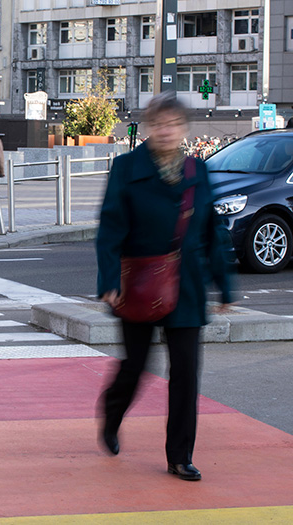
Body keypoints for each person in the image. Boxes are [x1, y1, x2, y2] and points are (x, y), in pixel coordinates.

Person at [96, 92, 233, 482]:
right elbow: (109, 230)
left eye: (173, 124)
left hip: (186, 286)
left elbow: (212, 229)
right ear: (147, 128)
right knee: (137, 366)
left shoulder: (197, 171)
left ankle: (179, 456)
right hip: (138, 283)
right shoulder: (126, 168)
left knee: (186, 374)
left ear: (184, 129)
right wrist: (108, 280)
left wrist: (224, 285)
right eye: (158, 124)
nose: (166, 131)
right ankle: (113, 412)